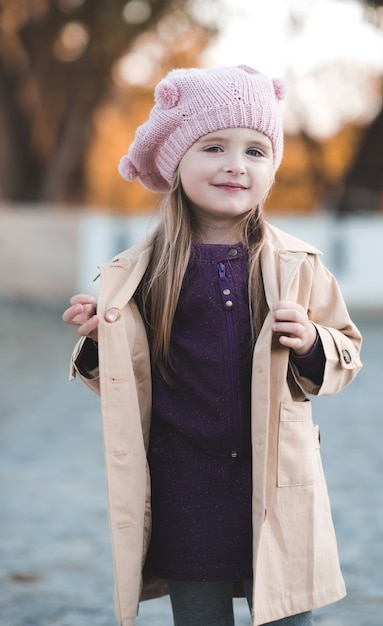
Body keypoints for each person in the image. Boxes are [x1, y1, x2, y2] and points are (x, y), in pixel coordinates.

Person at [63, 65, 362, 626]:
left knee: (288, 616)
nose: (235, 164)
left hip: (272, 485)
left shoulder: (298, 266)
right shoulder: (140, 274)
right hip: (186, 488)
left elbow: (347, 351)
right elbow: (126, 383)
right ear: (177, 162)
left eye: (255, 151)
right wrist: (101, 341)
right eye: (214, 146)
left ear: (273, 168)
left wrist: (311, 344)